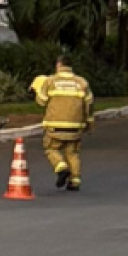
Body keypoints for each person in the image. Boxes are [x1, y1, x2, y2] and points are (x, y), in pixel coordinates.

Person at [30, 56, 95, 190]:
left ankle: (61, 168)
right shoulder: (82, 82)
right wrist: (89, 122)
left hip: (55, 126)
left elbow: (41, 102)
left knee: (51, 149)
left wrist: (37, 91)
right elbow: (89, 104)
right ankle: (75, 181)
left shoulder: (50, 81)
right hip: (76, 127)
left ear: (58, 65)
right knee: (72, 153)